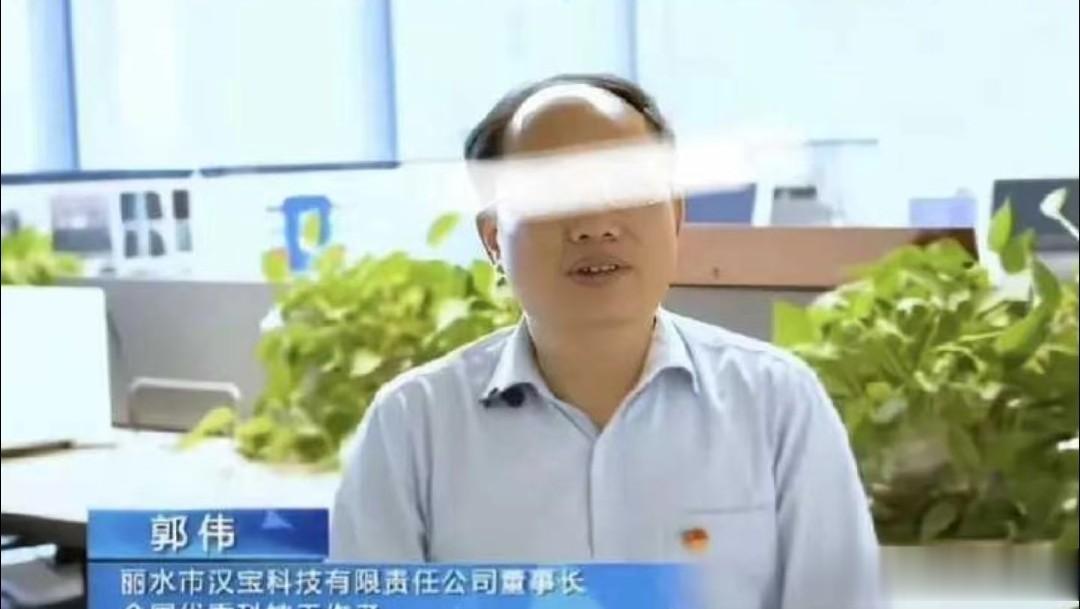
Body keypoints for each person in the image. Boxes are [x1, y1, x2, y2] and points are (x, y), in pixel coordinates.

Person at [331, 73, 881, 609]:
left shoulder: (776, 402)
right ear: (495, 239)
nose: (595, 225)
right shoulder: (412, 425)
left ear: (675, 216)